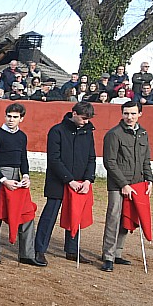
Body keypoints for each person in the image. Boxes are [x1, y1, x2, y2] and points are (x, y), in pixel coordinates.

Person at [34, 102, 97, 264]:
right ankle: (39, 250)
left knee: (75, 215)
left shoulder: (88, 131)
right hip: (58, 181)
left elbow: (91, 157)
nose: (86, 122)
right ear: (74, 113)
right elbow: (54, 159)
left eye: (88, 119)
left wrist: (88, 180)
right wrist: (69, 180)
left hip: (80, 182)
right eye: (83, 118)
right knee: (50, 216)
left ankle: (72, 250)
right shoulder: (57, 131)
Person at [0, 102, 42, 265]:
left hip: (17, 174)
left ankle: (26, 253)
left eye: (15, 117)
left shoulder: (22, 136)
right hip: (0, 176)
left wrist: (26, 176)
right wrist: (3, 180)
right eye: (9, 116)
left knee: (25, 212)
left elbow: (23, 158)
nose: (11, 120)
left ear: (21, 119)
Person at [100, 102, 152, 272]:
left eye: (133, 113)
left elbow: (146, 160)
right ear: (122, 114)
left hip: (137, 183)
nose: (129, 117)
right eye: (126, 113)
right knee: (114, 218)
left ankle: (117, 253)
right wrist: (123, 184)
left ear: (140, 114)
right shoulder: (114, 134)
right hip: (118, 184)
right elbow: (110, 162)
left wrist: (149, 180)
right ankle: (108, 256)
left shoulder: (143, 134)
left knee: (127, 219)